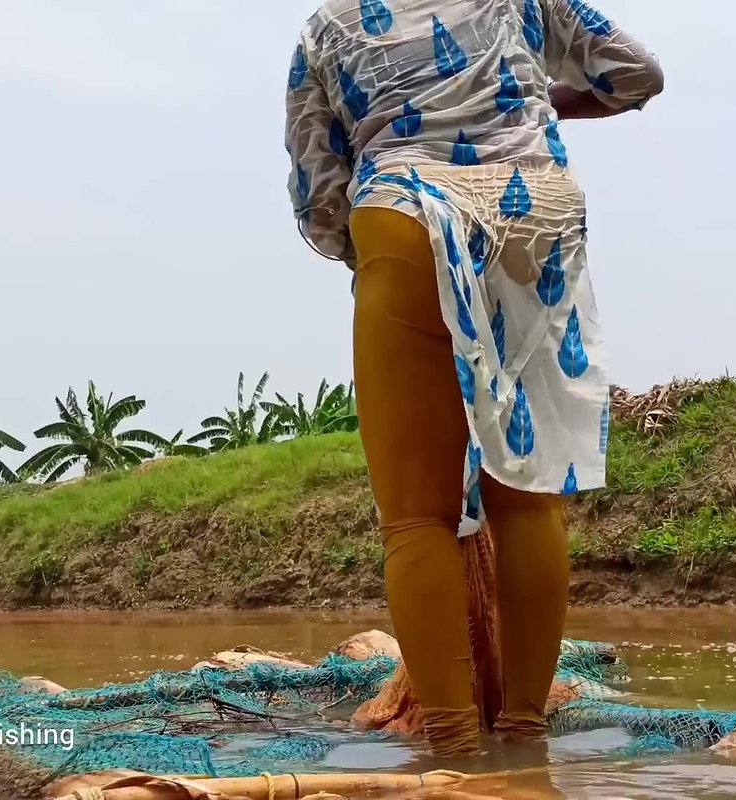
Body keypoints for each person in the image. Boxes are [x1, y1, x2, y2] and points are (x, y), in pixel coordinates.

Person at [283, 0, 662, 759]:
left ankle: (454, 752)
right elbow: (635, 75)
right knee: (526, 498)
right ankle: (525, 739)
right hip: (534, 216)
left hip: (404, 213)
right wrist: (535, 102)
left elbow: (318, 195)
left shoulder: (325, 27)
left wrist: (377, 263)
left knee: (416, 518)